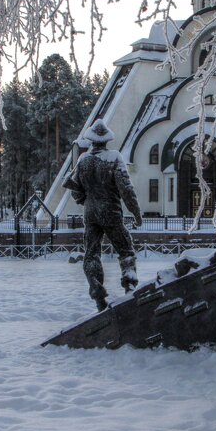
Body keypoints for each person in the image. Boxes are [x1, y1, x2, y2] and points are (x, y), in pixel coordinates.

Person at [64, 120, 142, 310]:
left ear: (91, 140)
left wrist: (84, 200)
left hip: (90, 212)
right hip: (111, 210)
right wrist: (136, 211)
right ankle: (129, 285)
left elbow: (74, 187)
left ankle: (96, 288)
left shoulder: (83, 160)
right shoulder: (114, 157)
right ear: (107, 140)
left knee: (91, 254)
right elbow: (126, 189)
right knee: (125, 249)